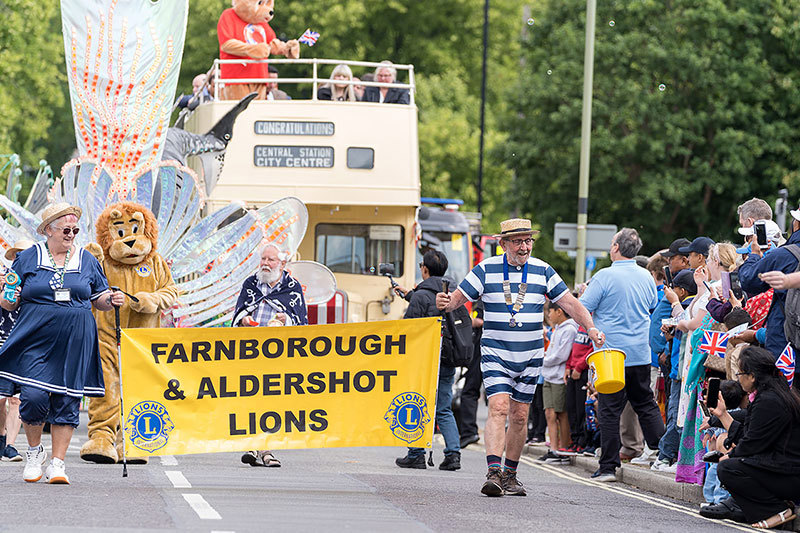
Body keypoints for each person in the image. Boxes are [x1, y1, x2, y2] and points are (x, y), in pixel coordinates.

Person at [436, 218, 603, 497]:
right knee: (498, 408)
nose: (524, 246)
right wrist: (445, 303)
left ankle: (510, 475)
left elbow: (571, 304)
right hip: (496, 352)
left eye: (528, 241)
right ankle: (493, 472)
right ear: (503, 244)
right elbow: (457, 298)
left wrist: (592, 327)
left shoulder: (543, 270)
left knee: (520, 414)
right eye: (517, 241)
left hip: (531, 355)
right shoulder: (486, 269)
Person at [0, 203, 124, 484]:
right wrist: (5, 295)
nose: (71, 234)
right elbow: (9, 302)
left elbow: (99, 298)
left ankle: (57, 464)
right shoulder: (29, 258)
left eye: (75, 230)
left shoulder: (88, 259)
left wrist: (112, 300)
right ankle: (34, 452)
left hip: (75, 339)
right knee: (32, 397)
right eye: (66, 229)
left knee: (67, 400)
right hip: (35, 337)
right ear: (48, 230)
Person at [579, 228, 665, 481]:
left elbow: (583, 307)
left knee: (609, 408)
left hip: (610, 353)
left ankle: (608, 466)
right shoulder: (645, 276)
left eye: (611, 243)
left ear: (616, 248)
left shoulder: (604, 276)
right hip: (639, 350)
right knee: (645, 403)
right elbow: (651, 306)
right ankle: (663, 455)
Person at [701, 346, 800, 529]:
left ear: (752, 376)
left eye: (740, 373)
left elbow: (751, 444)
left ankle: (776, 510)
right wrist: (722, 415)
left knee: (728, 469)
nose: (738, 378)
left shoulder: (769, 401)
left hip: (790, 475)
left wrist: (728, 456)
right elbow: (750, 432)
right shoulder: (773, 395)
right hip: (784, 469)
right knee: (731, 464)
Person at [234, 242, 308, 468]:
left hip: (278, 354)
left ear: (282, 263)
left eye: (271, 260)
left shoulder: (292, 287)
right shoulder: (251, 284)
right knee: (252, 398)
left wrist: (288, 320)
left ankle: (263, 449)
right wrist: (244, 321)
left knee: (272, 401)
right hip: (251, 352)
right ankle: (257, 447)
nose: (265, 264)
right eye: (263, 259)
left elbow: (302, 322)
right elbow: (238, 315)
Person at [395, 250, 461, 471]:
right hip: (449, 358)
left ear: (424, 269)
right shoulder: (453, 293)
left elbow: (409, 329)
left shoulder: (422, 295)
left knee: (417, 403)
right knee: (443, 407)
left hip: (424, 360)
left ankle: (416, 453)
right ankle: (453, 454)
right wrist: (408, 294)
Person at [739, 203, 800, 360]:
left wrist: (753, 255)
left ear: (797, 223)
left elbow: (748, 279)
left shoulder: (785, 255)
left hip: (785, 345)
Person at [651, 269, 697, 473]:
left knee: (677, 415)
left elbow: (687, 324)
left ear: (683, 291)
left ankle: (667, 455)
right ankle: (669, 455)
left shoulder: (687, 306)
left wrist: (673, 302)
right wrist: (669, 337)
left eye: (674, 289)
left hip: (683, 371)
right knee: (674, 413)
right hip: (677, 368)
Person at [0, 239, 34, 462]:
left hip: (25, 342)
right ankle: (2, 438)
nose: (19, 258)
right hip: (2, 340)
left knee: (16, 399)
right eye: (16, 255)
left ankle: (10, 445)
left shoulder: (38, 279)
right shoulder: (5, 277)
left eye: (24, 254)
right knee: (1, 397)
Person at [537, 300, 578, 464]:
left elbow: (561, 355)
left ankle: (563, 449)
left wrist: (543, 360)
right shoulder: (557, 329)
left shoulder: (569, 329)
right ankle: (553, 449)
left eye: (550, 311)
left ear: (559, 311)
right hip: (549, 375)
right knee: (549, 413)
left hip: (559, 376)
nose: (548, 315)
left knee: (561, 414)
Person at [455, 299, 483, 448]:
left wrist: (471, 322)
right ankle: (469, 431)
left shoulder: (482, 302)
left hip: (481, 351)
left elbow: (480, 321)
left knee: (469, 392)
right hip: (490, 351)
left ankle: (469, 432)